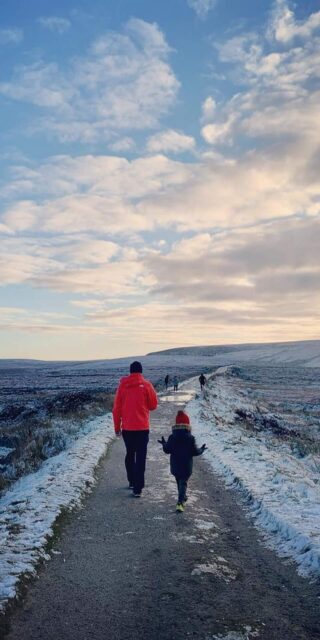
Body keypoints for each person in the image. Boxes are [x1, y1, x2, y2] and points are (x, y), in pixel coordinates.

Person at [113, 361, 158, 497]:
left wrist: (117, 427)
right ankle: (138, 488)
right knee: (141, 456)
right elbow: (153, 405)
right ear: (141, 371)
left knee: (130, 453)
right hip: (142, 427)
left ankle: (132, 480)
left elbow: (116, 409)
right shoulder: (147, 385)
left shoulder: (122, 386)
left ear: (130, 371)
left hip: (127, 428)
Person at [158, 410, 206, 512]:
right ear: (187, 425)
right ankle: (180, 503)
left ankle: (182, 497)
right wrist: (201, 450)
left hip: (175, 466)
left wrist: (163, 443)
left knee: (179, 481)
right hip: (186, 466)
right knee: (183, 482)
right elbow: (194, 452)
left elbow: (167, 449)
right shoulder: (190, 438)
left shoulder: (172, 437)